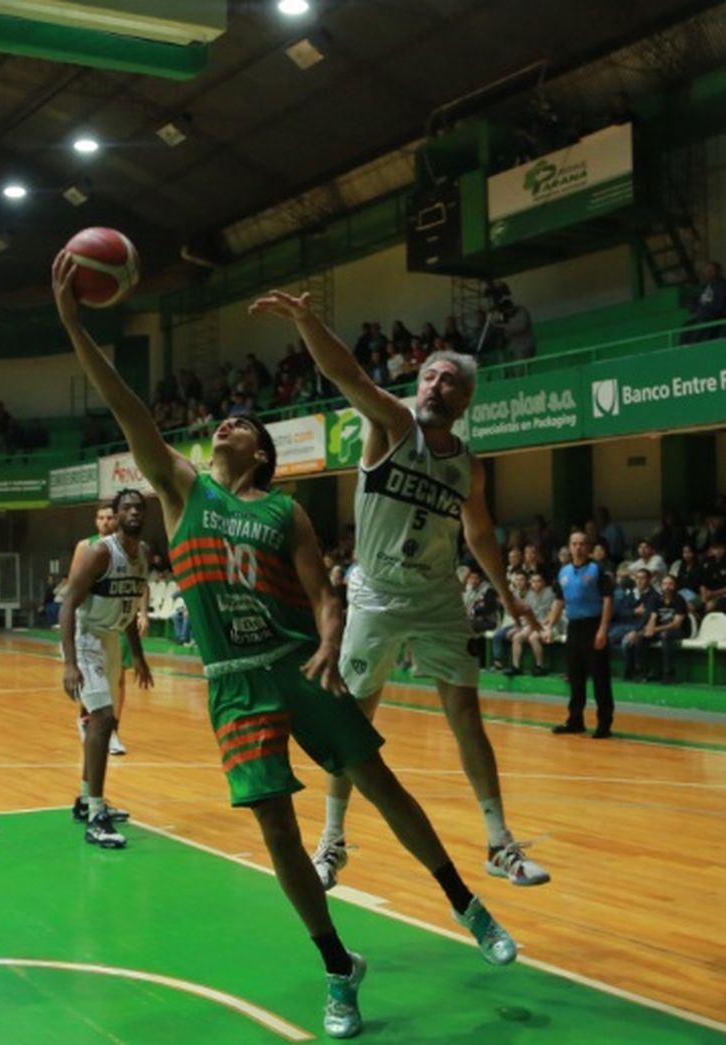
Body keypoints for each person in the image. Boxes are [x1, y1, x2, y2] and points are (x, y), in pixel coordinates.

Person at [57, 255, 515, 1039]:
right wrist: (72, 320)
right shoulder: (180, 490)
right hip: (232, 681)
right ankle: (339, 966)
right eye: (220, 424)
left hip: (296, 662)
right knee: (276, 828)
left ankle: (463, 899)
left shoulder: (285, 512)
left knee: (382, 783)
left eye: (239, 425)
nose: (223, 426)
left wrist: (333, 641)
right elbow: (125, 403)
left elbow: (324, 596)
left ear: (262, 455)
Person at [249, 289, 548, 890]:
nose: (434, 386)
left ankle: (498, 842)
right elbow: (346, 372)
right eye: (429, 376)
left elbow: (480, 532)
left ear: (464, 401)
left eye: (448, 382)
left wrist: (509, 597)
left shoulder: (471, 464)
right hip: (376, 598)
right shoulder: (392, 425)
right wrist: (310, 321)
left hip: (438, 599)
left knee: (467, 716)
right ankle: (332, 843)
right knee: (351, 725)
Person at [61, 489, 153, 849]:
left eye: (138, 507)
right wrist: (69, 663)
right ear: (114, 516)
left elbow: (126, 605)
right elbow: (68, 604)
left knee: (107, 720)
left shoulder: (142, 554)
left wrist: (140, 657)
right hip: (86, 637)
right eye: (126, 507)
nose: (133, 512)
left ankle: (85, 800)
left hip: (112, 639)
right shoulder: (101, 552)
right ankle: (97, 815)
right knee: (100, 718)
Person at [66, 503, 131, 758]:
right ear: (96, 521)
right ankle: (87, 720)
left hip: (119, 622)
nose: (105, 521)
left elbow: (139, 583)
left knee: (119, 679)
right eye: (101, 517)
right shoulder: (87, 546)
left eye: (110, 517)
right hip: (92, 622)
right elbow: (73, 585)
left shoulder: (128, 547)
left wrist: (142, 613)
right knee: (93, 678)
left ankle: (113, 730)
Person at [547, 529, 615, 738]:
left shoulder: (597, 570)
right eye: (574, 543)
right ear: (569, 547)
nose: (578, 547)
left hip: (594, 625)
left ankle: (604, 724)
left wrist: (603, 629)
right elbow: (559, 601)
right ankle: (575, 721)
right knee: (575, 677)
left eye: (582, 544)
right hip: (574, 627)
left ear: (589, 547)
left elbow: (607, 600)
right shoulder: (563, 572)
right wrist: (549, 626)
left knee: (600, 677)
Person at [641, 573, 689, 681]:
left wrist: (656, 629)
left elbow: (676, 624)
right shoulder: (656, 599)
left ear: (675, 586)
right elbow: (653, 617)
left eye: (670, 584)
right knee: (642, 637)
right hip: (661, 629)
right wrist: (649, 629)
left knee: (665, 636)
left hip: (680, 630)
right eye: (665, 584)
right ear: (661, 586)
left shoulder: (679, 600)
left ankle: (668, 673)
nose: (667, 587)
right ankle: (646, 672)